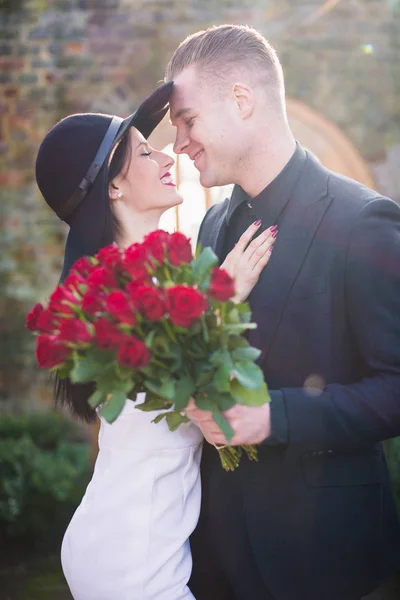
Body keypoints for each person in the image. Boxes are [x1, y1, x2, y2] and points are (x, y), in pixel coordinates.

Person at [166, 24, 400, 600]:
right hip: (216, 554)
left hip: (327, 560)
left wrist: (274, 417)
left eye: (188, 121)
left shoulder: (363, 220)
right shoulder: (212, 227)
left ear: (241, 100)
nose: (179, 143)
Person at [34, 81, 277, 600]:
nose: (166, 153)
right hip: (134, 560)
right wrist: (225, 297)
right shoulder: (118, 299)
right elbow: (217, 418)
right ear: (113, 188)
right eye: (143, 150)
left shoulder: (145, 282)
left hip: (124, 534)